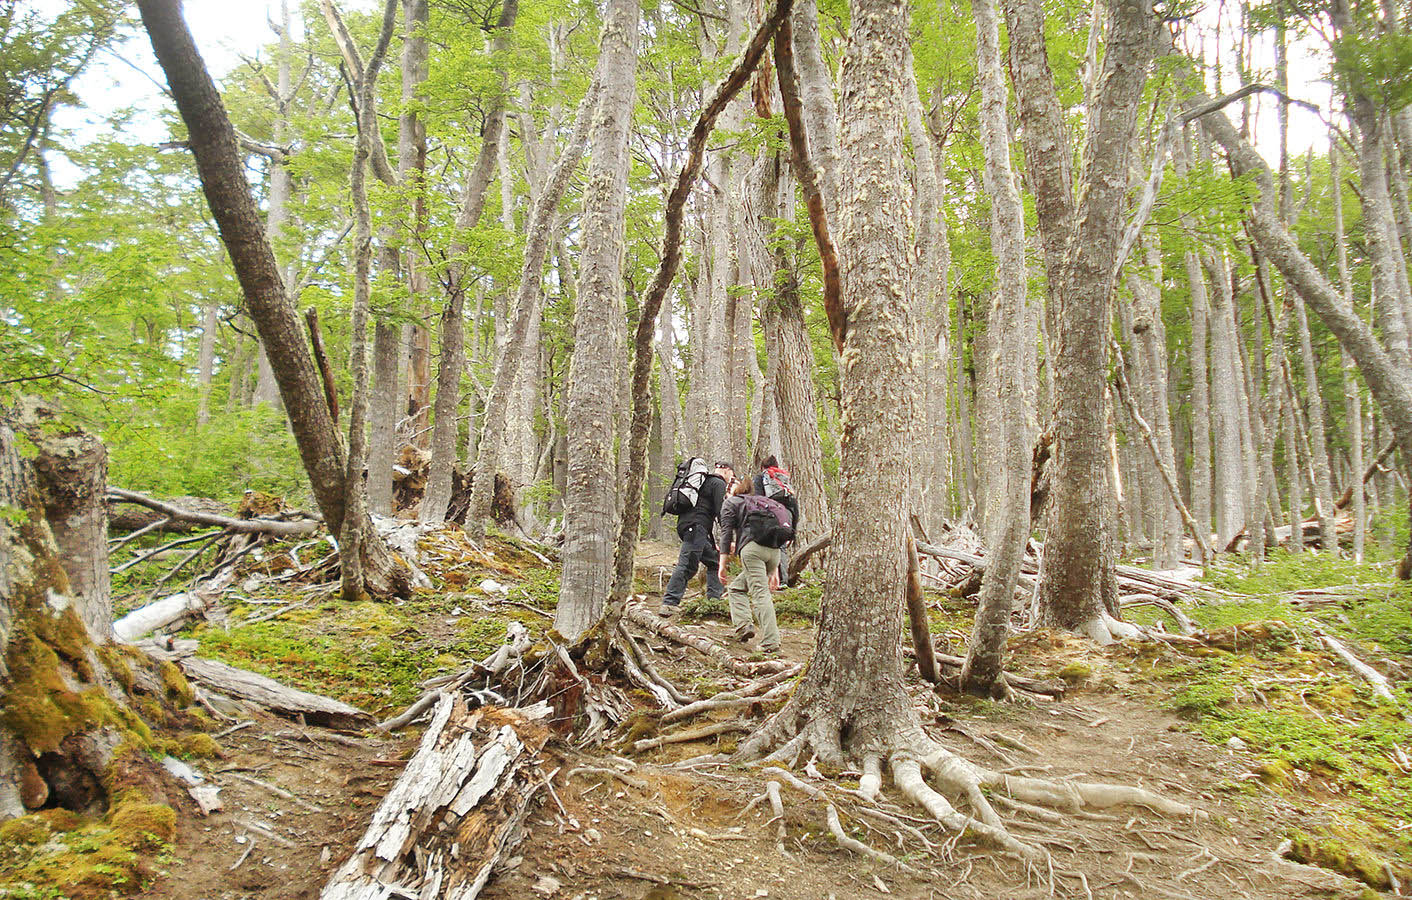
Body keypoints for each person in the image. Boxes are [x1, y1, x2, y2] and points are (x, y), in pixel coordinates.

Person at [717, 479, 792, 655]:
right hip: (774, 552)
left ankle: (771, 642)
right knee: (736, 588)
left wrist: (722, 564)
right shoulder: (762, 502)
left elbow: (726, 533)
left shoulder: (731, 502)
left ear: (732, 491)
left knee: (760, 594)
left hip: (752, 551)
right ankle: (743, 626)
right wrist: (775, 569)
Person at [659, 457, 728, 617]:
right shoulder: (718, 483)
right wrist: (728, 535)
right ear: (727, 471)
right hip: (696, 527)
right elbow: (721, 512)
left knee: (714, 561)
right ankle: (669, 603)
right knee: (687, 565)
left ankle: (714, 602)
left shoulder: (702, 482)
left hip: (688, 526)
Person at [752, 455, 799, 582]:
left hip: (771, 513)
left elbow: (758, 498)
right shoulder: (783, 479)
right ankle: (783, 579)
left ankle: (771, 579)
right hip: (787, 514)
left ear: (763, 467)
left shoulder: (760, 478)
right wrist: (793, 530)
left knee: (768, 545)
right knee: (781, 546)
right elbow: (794, 504)